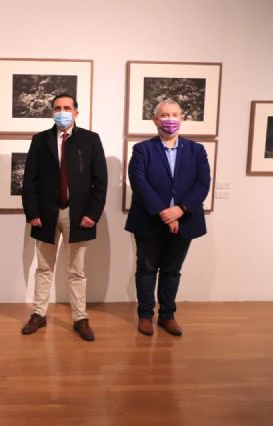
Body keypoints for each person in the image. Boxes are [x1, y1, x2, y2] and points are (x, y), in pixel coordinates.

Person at [21, 93, 108, 341]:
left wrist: (92, 214)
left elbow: (100, 181)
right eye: (57, 108)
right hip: (45, 214)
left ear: (76, 112)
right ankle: (39, 314)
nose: (62, 112)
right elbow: (29, 180)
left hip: (78, 214)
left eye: (67, 108)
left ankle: (80, 318)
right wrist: (32, 212)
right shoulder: (40, 140)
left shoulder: (90, 140)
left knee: (77, 270)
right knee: (44, 268)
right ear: (52, 112)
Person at [125, 99, 210, 336]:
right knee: (146, 269)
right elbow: (139, 183)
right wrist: (166, 213)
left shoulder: (196, 150)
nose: (169, 119)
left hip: (185, 220)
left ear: (181, 118)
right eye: (164, 115)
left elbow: (203, 184)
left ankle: (167, 316)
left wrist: (180, 210)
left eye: (174, 114)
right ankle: (145, 316)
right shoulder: (142, 149)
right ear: (155, 120)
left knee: (172, 270)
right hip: (149, 220)